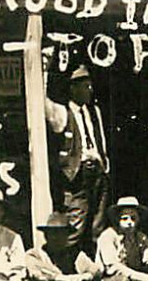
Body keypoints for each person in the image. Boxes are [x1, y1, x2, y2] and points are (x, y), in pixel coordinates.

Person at [45, 65, 110, 250]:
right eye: (85, 86)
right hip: (78, 174)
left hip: (98, 171)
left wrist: (105, 165)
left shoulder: (94, 111)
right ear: (73, 88)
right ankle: (68, 268)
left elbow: (101, 139)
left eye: (90, 86)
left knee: (98, 223)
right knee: (76, 223)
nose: (90, 90)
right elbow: (43, 104)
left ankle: (95, 270)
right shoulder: (63, 112)